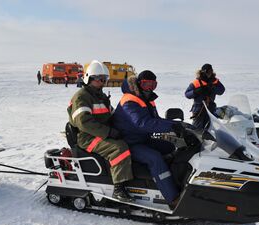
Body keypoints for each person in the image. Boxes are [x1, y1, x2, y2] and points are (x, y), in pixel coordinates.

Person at [112, 70, 184, 208]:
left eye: (153, 85)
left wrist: (178, 125)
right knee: (155, 158)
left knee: (170, 146)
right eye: (146, 84)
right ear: (139, 83)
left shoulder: (148, 99)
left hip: (142, 139)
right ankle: (172, 198)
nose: (150, 88)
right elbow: (143, 123)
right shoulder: (129, 100)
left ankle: (171, 178)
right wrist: (173, 126)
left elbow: (156, 120)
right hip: (129, 142)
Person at [68, 60, 134, 202]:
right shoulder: (82, 97)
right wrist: (109, 132)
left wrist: (129, 125)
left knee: (130, 140)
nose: (103, 82)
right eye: (100, 79)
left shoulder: (101, 96)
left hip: (100, 133)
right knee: (119, 148)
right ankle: (118, 188)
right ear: (89, 78)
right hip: (87, 137)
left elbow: (113, 115)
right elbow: (84, 123)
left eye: (105, 79)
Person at [185, 63, 225, 130]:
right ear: (203, 71)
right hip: (198, 109)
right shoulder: (196, 82)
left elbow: (221, 91)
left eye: (211, 71)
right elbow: (187, 94)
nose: (209, 73)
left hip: (210, 108)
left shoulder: (214, 81)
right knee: (196, 129)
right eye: (208, 71)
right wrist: (196, 91)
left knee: (208, 129)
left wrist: (213, 88)